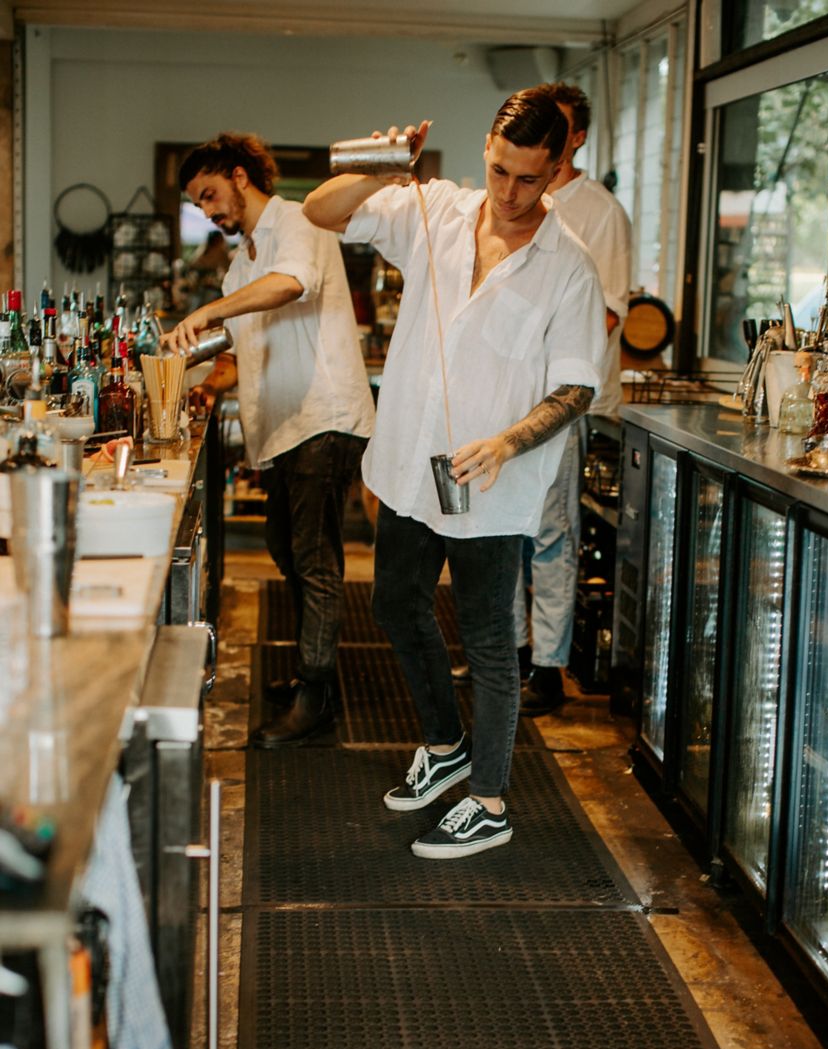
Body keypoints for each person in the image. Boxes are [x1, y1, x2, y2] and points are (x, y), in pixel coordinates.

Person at [303, 92, 606, 858]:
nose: (509, 192)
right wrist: (381, 167)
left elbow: (576, 387)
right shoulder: (435, 208)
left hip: (492, 483)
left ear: (558, 169)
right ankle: (445, 746)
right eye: (500, 170)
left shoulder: (568, 265)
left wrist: (507, 443)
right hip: (413, 463)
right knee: (395, 606)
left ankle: (490, 802)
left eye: (529, 179)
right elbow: (320, 211)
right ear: (486, 152)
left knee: (490, 641)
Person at [163, 132, 375, 746]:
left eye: (209, 194)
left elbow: (292, 284)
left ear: (239, 175)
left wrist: (209, 311)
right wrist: (207, 383)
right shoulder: (242, 262)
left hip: (323, 417)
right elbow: (243, 346)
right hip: (287, 427)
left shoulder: (299, 221)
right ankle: (314, 672)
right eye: (198, 204)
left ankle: (317, 696)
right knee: (286, 547)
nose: (207, 211)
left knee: (313, 558)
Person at [513, 82, 632, 716]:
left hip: (561, 400)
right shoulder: (515, 198)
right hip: (506, 398)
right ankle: (508, 650)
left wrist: (541, 360)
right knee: (504, 529)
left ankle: (549, 666)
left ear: (577, 138)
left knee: (551, 533)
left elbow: (607, 314)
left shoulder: (599, 213)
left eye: (555, 126)